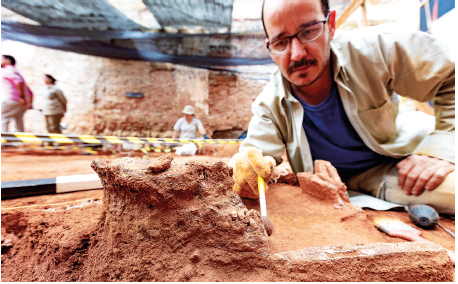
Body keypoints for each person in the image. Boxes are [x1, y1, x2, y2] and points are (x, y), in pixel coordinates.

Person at [229, 0, 455, 215]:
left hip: (405, 157)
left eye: (308, 31)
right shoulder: (269, 104)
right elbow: (255, 157)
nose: (297, 54)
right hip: (352, 184)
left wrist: (441, 147)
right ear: (270, 49)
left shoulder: (376, 50)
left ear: (332, 25)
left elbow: (451, 75)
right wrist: (247, 168)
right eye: (281, 42)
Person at [1, 55, 31, 132]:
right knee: (18, 120)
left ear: (8, 61)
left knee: (3, 119)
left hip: (11, 100)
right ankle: (19, 141)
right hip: (19, 102)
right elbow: (29, 91)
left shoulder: (7, 70)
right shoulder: (16, 71)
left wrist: (22, 97)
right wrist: (28, 101)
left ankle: (4, 141)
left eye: (2, 59)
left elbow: (18, 81)